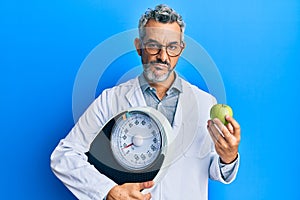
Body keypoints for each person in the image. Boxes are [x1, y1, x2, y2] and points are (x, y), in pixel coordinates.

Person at [51, 4, 241, 200]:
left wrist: (228, 157)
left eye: (172, 47)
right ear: (138, 46)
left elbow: (214, 169)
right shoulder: (110, 100)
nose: (163, 56)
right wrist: (108, 191)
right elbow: (64, 155)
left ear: (181, 49)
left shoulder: (204, 103)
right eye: (153, 45)